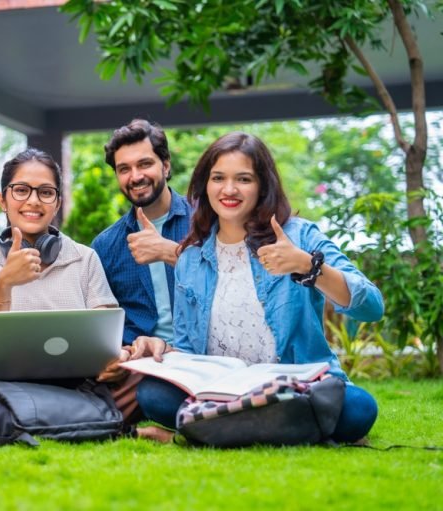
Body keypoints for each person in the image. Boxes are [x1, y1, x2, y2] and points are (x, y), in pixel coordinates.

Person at [135, 132, 383, 443]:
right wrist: (161, 351)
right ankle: (278, 427)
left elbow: (372, 307)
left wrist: (308, 265)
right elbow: (188, 352)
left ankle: (206, 431)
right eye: (218, 178)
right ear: (204, 185)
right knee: (151, 394)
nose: (229, 189)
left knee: (359, 408)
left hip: (295, 388)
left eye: (244, 179)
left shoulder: (299, 236)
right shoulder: (191, 258)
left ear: (263, 186)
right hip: (221, 391)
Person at [0, 148, 141, 436]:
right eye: (21, 190)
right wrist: (4, 283)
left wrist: (115, 359)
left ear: (57, 203)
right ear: (2, 200)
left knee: (142, 375)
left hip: (78, 384)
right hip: (3, 388)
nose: (33, 200)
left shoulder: (85, 258)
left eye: (45, 192)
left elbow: (106, 337)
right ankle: (87, 423)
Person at [91, 119, 192, 357]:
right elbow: (101, 326)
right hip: (138, 360)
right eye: (124, 169)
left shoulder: (206, 222)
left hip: (199, 354)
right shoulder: (105, 246)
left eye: (144, 164)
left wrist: (172, 253)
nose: (135, 177)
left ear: (166, 166)